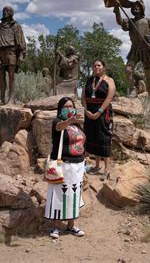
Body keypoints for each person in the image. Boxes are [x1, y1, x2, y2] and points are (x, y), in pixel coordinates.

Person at [44, 97, 86, 239]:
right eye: (66, 106)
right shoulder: (57, 122)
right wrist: (69, 121)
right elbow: (60, 127)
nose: (69, 108)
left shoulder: (77, 125)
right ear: (60, 109)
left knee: (73, 195)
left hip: (78, 165)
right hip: (63, 165)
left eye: (71, 106)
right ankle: (55, 227)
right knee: (58, 194)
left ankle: (71, 226)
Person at [113, 0, 150, 98]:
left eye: (138, 7)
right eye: (133, 7)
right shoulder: (131, 21)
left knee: (148, 70)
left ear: (142, 9)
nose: (135, 8)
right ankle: (133, 89)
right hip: (135, 49)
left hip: (146, 49)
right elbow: (120, 22)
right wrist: (117, 9)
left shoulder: (148, 21)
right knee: (128, 69)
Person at [82, 59, 116, 177]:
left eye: (99, 65)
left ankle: (106, 168)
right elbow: (83, 97)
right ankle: (96, 165)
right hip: (89, 112)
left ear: (104, 67)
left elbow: (109, 98)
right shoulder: (89, 80)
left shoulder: (109, 81)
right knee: (93, 136)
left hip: (103, 112)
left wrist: (99, 111)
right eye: (94, 65)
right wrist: (86, 110)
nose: (96, 67)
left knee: (103, 137)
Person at [0, 6, 26, 104]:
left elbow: (21, 40)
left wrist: (21, 52)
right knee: (1, 77)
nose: (5, 12)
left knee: (11, 77)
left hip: (11, 52)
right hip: (0, 53)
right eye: (4, 10)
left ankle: (11, 99)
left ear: (11, 13)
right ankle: (2, 99)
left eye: (7, 10)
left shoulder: (16, 26)